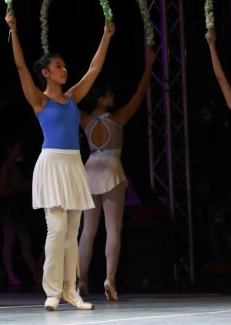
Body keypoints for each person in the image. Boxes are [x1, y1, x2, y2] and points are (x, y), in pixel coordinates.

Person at [4, 12, 114, 310]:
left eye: (65, 66)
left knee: (72, 231)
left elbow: (94, 69)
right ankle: (52, 291)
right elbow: (20, 66)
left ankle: (70, 290)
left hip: (73, 165)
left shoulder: (73, 97)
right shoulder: (40, 100)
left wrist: (106, 36)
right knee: (56, 229)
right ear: (46, 73)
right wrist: (14, 31)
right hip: (52, 164)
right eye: (58, 66)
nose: (64, 70)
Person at [77, 48, 156, 300]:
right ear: (100, 99)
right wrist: (149, 65)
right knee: (112, 229)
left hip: (90, 169)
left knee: (87, 231)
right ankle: (109, 279)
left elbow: (66, 102)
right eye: (109, 94)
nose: (113, 96)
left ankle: (82, 279)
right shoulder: (119, 117)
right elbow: (140, 93)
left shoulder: (84, 120)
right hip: (110, 169)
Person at [0, 139, 40, 288]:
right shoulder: (6, 166)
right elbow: (3, 191)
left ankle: (37, 274)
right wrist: (20, 188)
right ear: (10, 149)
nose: (20, 150)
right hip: (10, 209)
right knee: (9, 241)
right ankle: (10, 275)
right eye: (17, 148)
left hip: (19, 208)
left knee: (25, 242)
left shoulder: (16, 166)